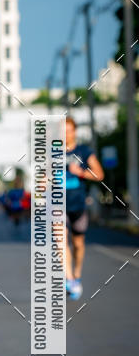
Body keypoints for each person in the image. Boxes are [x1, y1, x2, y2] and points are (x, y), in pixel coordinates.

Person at [65, 117, 104, 300]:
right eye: (62, 131)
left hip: (78, 205)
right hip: (58, 205)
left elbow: (99, 174)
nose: (65, 134)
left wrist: (80, 172)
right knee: (60, 241)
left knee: (78, 244)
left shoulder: (84, 151)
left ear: (75, 132)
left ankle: (77, 275)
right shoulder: (52, 153)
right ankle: (69, 278)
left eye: (69, 130)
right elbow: (44, 176)